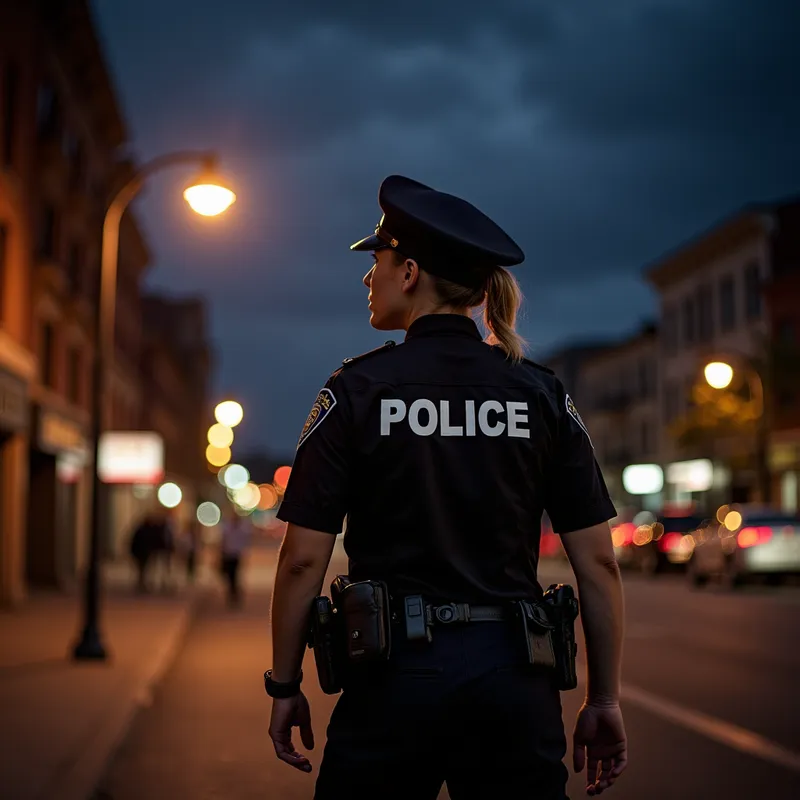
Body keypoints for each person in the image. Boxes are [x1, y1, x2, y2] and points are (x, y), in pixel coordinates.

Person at [266, 175, 627, 798]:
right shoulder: (539, 393)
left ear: (409, 273)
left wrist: (285, 684)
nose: (367, 277)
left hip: (390, 685)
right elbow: (598, 562)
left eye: (377, 261)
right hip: (515, 682)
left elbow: (302, 559)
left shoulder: (357, 390)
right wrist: (604, 699)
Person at [219, 508, 251, 607]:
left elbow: (244, 542)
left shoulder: (242, 529)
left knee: (235, 576)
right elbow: (223, 541)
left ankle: (234, 594)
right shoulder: (227, 528)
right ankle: (232, 593)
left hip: (236, 555)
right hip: (227, 555)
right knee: (229, 576)